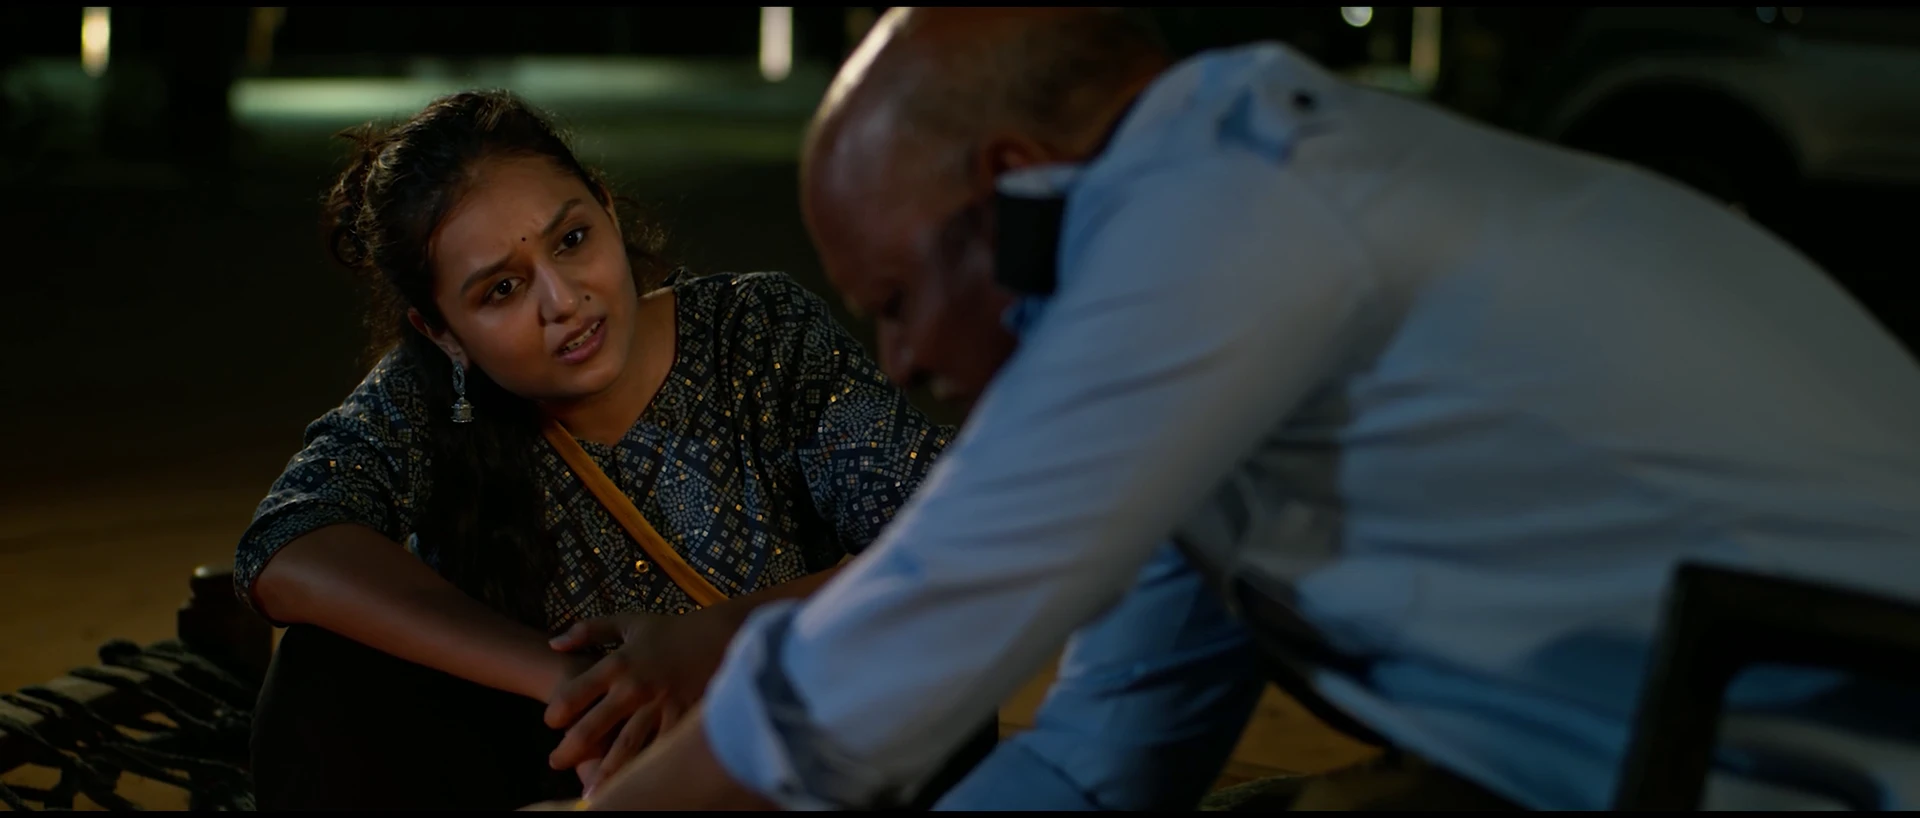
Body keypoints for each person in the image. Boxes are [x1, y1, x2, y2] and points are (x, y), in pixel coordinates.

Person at [558, 7, 1920, 812]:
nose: (899, 359)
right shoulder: (1223, 304)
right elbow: (1105, 756)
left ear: (1017, 187)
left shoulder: (1223, 212)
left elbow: (870, 671)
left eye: (898, 297)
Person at [234, 89, 993, 810]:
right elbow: (285, 547)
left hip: (789, 756)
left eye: (572, 240)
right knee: (323, 671)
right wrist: (570, 680)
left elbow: (963, 537)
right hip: (578, 767)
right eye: (501, 290)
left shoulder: (757, 332)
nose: (564, 301)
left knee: (934, 667)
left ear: (604, 204)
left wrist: (717, 639)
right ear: (440, 331)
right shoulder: (424, 398)